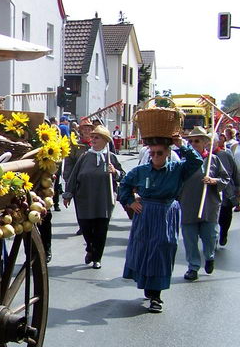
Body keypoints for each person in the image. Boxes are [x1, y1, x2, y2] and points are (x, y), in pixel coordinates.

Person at [119, 136, 202, 312]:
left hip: (166, 211)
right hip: (145, 212)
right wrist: (130, 202)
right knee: (144, 248)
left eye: (160, 153)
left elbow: (197, 161)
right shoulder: (141, 171)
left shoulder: (177, 169)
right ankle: (148, 286)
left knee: (163, 248)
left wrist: (182, 144)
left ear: (167, 153)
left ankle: (156, 296)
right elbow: (124, 186)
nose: (156, 156)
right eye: (153, 153)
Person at [63, 125, 125, 268]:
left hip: (104, 201)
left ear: (105, 140)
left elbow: (123, 176)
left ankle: (97, 258)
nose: (93, 139)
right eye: (93, 137)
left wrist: (115, 172)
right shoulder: (85, 156)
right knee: (86, 227)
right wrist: (68, 194)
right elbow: (74, 176)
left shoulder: (111, 158)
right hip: (84, 200)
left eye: (97, 137)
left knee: (101, 230)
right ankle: (90, 248)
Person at [179, 128, 230, 280]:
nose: (193, 144)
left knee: (210, 236)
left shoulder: (213, 160)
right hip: (188, 204)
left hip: (209, 205)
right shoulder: (184, 163)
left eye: (197, 141)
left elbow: (225, 179)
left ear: (205, 142)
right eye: (191, 141)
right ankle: (193, 267)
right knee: (190, 239)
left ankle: (209, 256)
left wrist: (214, 181)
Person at [214, 133, 239, 246]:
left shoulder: (225, 155)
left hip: (226, 192)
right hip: (211, 195)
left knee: (225, 216)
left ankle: (223, 233)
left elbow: (234, 172)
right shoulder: (202, 157)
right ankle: (211, 240)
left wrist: (238, 188)